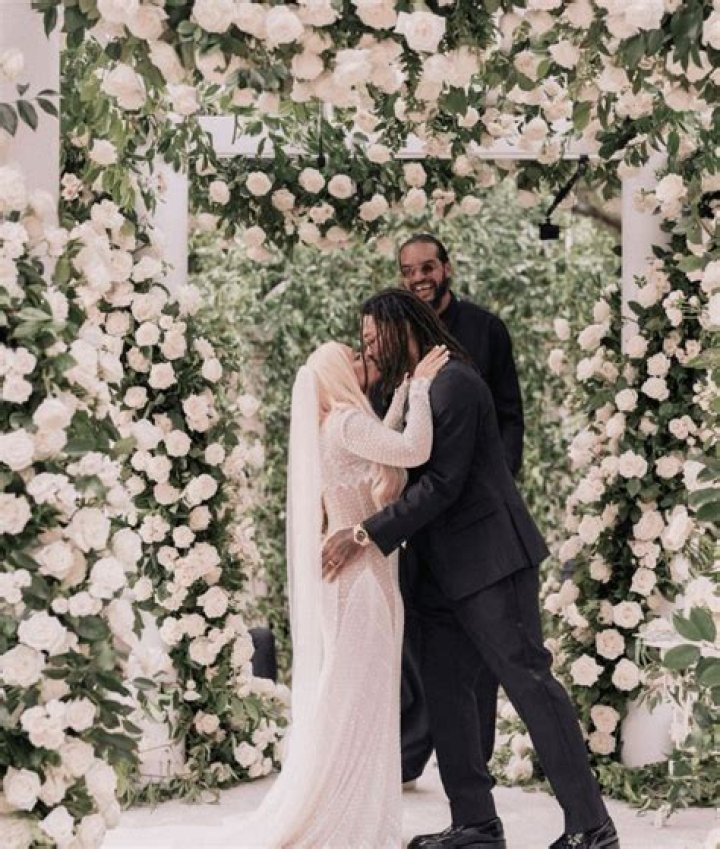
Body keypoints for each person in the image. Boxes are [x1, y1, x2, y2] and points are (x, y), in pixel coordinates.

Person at [322, 290, 619, 849]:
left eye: (373, 338)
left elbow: (443, 484)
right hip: (437, 572)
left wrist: (364, 533)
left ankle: (592, 826)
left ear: (402, 328)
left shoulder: (455, 382)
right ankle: (476, 824)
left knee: (531, 686)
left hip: (490, 563)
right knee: (447, 697)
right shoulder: (415, 386)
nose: (369, 349)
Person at [236, 340, 449, 848]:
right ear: (335, 374)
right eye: (353, 358)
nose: (363, 361)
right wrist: (421, 388)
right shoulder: (347, 424)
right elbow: (412, 450)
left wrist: (401, 397)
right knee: (360, 699)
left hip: (357, 577)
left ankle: (350, 808)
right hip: (361, 580)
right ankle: (347, 818)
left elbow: (381, 447)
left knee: (357, 694)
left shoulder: (338, 426)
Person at [395, 233, 524, 783]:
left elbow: (510, 415)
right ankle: (410, 756)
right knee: (421, 636)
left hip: (474, 513)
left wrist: (496, 485)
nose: (419, 278)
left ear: (446, 268)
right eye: (408, 271)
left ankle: (478, 760)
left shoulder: (487, 329)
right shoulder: (399, 333)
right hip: (421, 509)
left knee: (483, 640)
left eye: (427, 267)